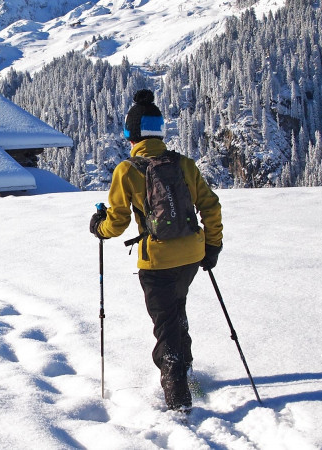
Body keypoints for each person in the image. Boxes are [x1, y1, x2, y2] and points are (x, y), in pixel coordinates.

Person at [89, 89, 223, 413]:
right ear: (159, 132)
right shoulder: (185, 165)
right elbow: (210, 205)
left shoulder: (127, 170)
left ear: (131, 135)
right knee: (177, 310)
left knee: (165, 325)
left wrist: (98, 227)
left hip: (157, 261)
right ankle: (187, 371)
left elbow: (117, 223)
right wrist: (212, 246)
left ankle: (178, 404)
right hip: (191, 255)